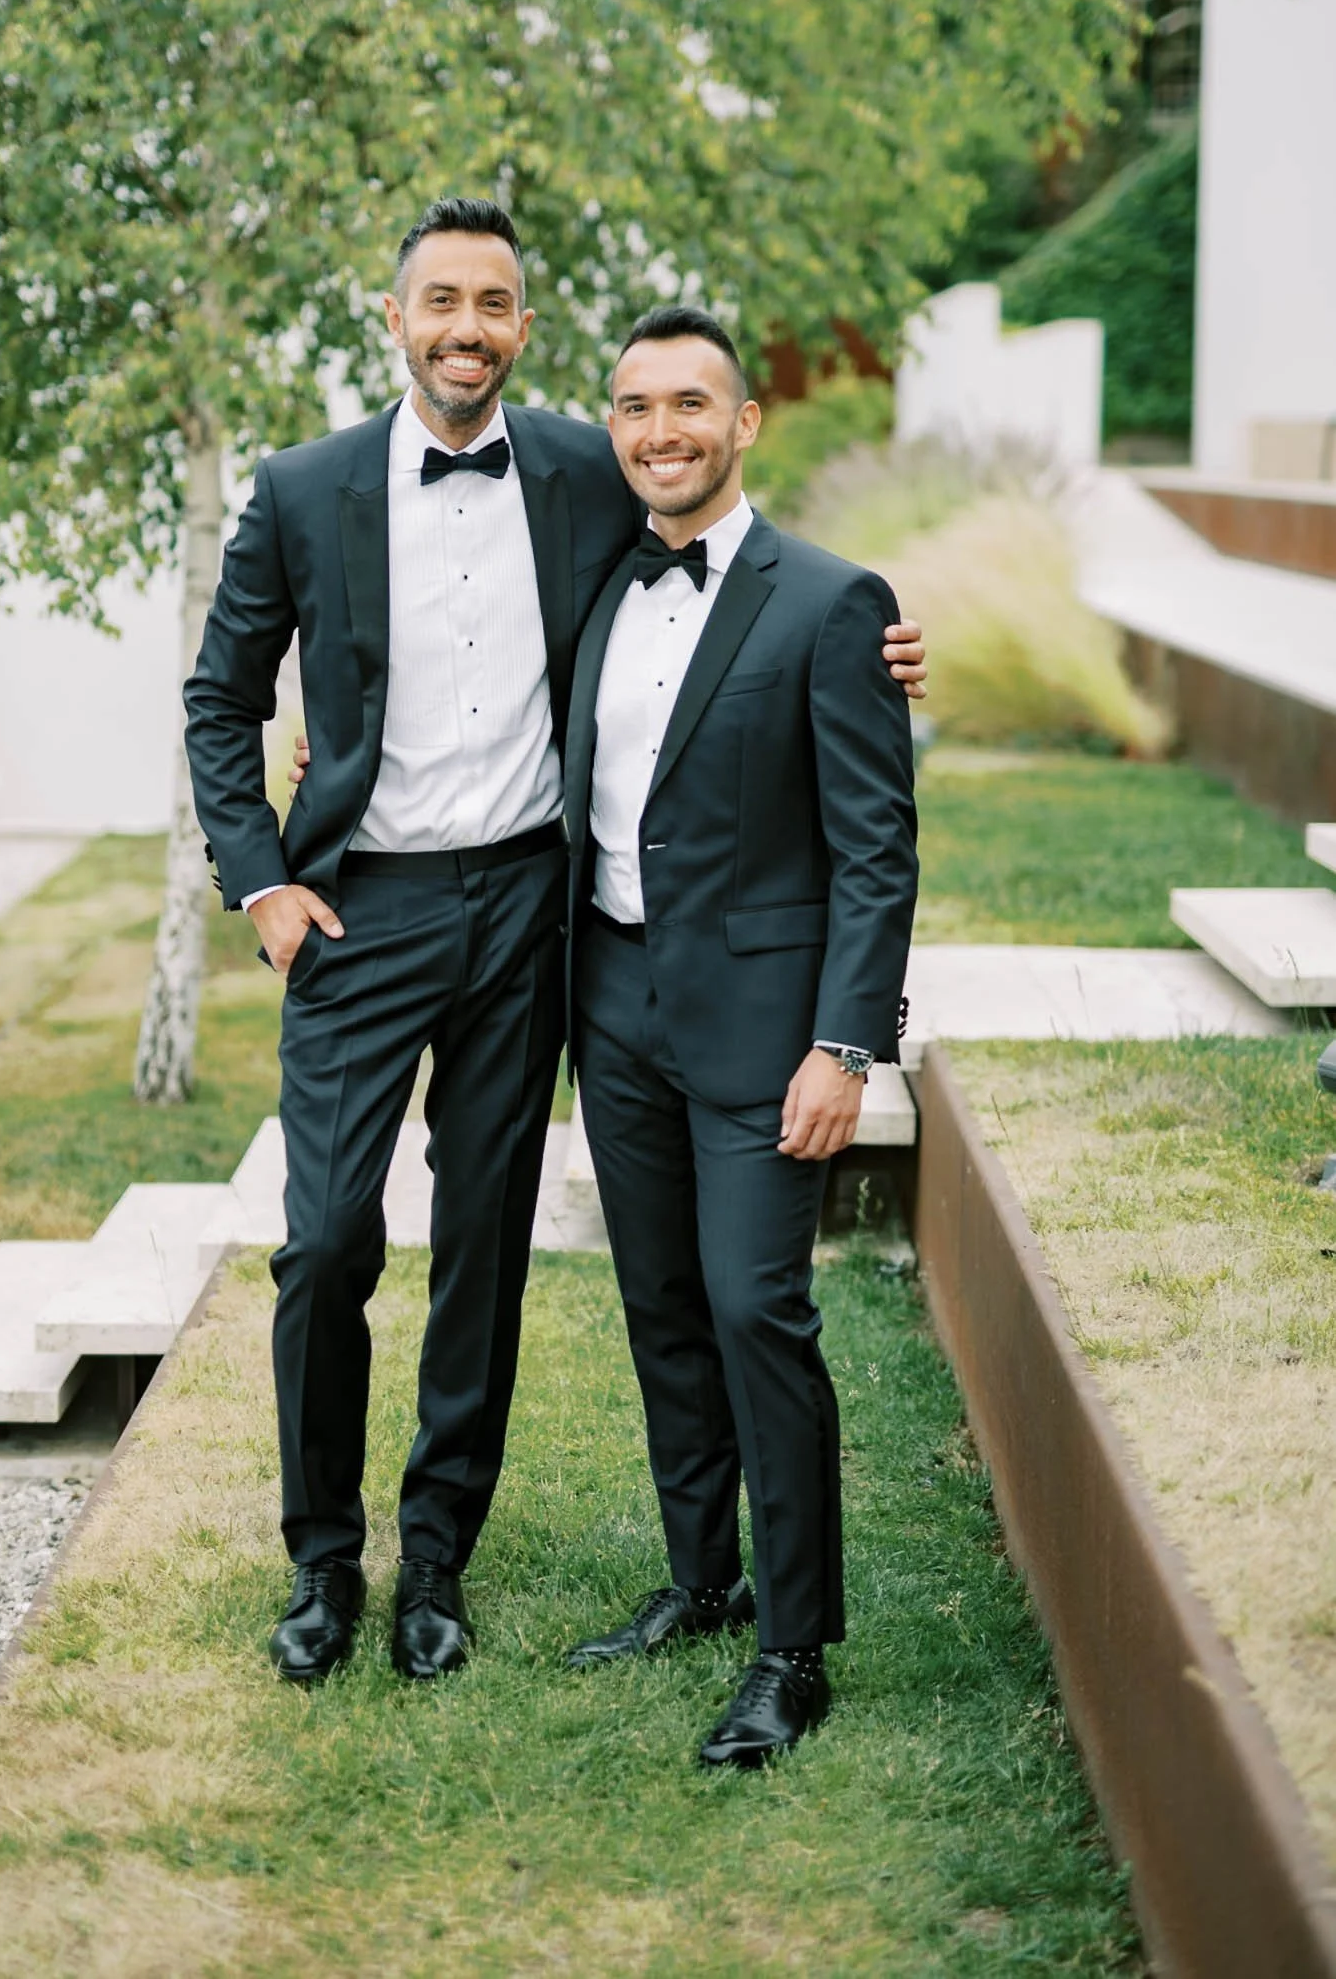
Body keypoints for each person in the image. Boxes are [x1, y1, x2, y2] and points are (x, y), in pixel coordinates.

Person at [184, 200, 926, 1688]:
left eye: (494, 305)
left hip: (531, 910)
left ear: (523, 329)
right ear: (395, 319)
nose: (466, 330)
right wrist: (260, 883)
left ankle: (436, 1560)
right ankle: (324, 1560)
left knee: (484, 1246)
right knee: (323, 1242)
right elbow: (221, 698)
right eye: (440, 302)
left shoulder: (591, 466)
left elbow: (738, 574)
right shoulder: (301, 488)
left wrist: (881, 645)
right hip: (357, 911)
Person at [562, 304, 919, 1770]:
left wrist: (845, 1044)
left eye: (690, 404)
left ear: (743, 421)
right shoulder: (595, 576)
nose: (663, 431)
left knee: (755, 1311)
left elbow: (875, 848)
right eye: (636, 407)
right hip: (611, 1005)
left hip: (769, 1032)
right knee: (659, 1307)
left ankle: (793, 1647)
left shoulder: (832, 603)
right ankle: (700, 1580)